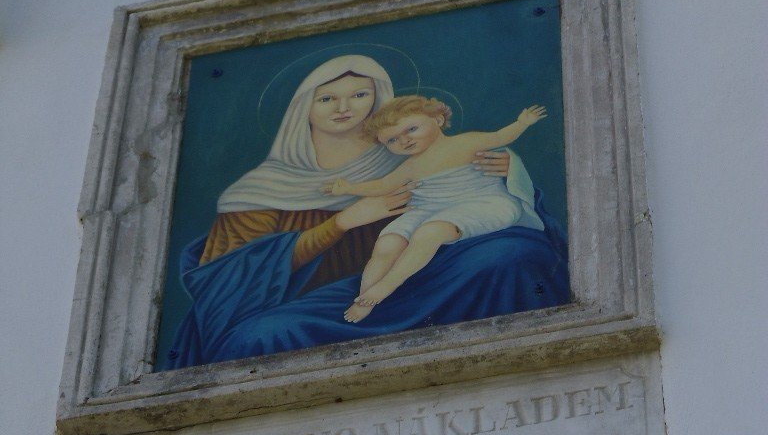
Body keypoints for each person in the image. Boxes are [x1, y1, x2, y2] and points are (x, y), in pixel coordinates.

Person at [161, 55, 568, 369]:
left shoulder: (408, 155)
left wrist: (510, 168)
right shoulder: (260, 189)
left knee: (514, 255)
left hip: (436, 273)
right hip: (333, 301)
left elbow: (493, 202)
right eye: (326, 98)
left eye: (359, 95)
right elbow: (224, 281)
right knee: (257, 337)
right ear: (302, 108)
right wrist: (340, 223)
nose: (344, 107)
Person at [323, 95, 547, 322]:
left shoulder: (467, 141)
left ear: (438, 120)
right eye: (392, 140)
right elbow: (382, 186)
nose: (404, 140)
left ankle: (384, 288)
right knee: (387, 242)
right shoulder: (410, 166)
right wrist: (349, 188)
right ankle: (364, 298)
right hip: (428, 209)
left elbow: (500, 137)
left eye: (411, 129)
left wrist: (522, 123)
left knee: (430, 232)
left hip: (483, 202)